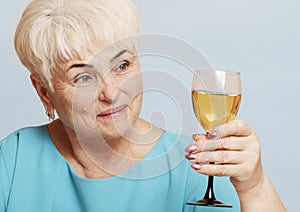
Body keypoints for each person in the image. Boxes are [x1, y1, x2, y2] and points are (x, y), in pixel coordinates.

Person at [0, 0, 285, 211]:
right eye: (84, 77)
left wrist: (254, 187)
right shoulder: (11, 161)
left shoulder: (195, 167)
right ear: (44, 92)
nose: (111, 93)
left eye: (122, 65)